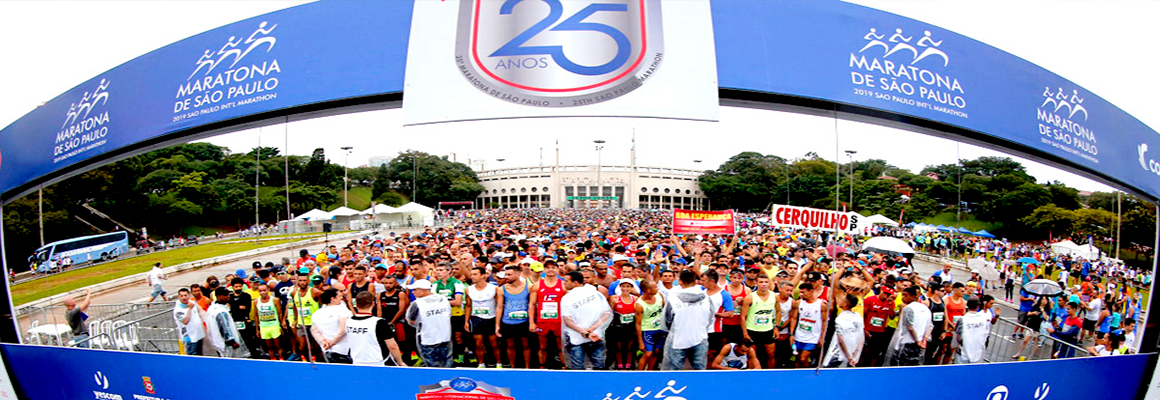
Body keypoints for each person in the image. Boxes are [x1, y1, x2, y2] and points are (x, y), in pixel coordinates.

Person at [560, 271, 612, 370]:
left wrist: (586, 332)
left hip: (576, 338)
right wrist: (592, 329)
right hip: (595, 335)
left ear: (575, 282)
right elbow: (607, 314)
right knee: (599, 368)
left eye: (566, 281)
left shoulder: (567, 298)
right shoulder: (596, 294)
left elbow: (568, 321)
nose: (564, 283)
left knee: (578, 370)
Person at [662, 270, 713, 370]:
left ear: (680, 281)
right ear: (695, 281)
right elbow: (710, 318)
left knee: (672, 371)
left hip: (677, 338)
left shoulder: (673, 299)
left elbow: (666, 321)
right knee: (699, 370)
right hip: (700, 337)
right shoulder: (707, 299)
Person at [348, 291, 406, 366]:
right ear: (373, 304)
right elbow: (392, 346)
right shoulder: (379, 322)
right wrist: (400, 362)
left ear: (356, 304)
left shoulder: (349, 321)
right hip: (378, 362)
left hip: (357, 361)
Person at [405, 279, 453, 368]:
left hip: (427, 338)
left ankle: (436, 381)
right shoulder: (443, 299)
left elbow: (411, 320)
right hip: (445, 337)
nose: (413, 292)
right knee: (447, 363)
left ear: (423, 290)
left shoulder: (417, 303)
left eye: (415, 290)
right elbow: (448, 314)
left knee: (432, 366)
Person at [530, 259, 567, 369]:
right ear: (544, 270)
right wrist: (531, 322)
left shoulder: (563, 284)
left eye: (553, 267)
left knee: (561, 347)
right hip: (542, 321)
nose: (550, 270)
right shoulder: (537, 285)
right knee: (542, 347)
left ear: (557, 269)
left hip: (559, 321)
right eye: (548, 268)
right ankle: (542, 368)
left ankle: (564, 368)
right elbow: (532, 304)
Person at [464, 267, 502, 368]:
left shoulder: (494, 288)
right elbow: (468, 305)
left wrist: (498, 321)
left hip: (491, 318)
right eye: (471, 274)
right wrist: (466, 321)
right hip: (476, 319)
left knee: (494, 344)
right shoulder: (468, 289)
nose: (472, 276)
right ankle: (481, 364)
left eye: (475, 274)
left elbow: (499, 305)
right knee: (478, 344)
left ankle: (498, 364)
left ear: (483, 275)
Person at [496, 265, 533, 368]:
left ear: (518, 274)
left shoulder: (528, 287)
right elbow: (499, 307)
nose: (506, 277)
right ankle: (512, 367)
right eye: (506, 274)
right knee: (510, 346)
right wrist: (497, 325)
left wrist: (531, 322)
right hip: (508, 322)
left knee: (526, 345)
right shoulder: (501, 289)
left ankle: (527, 368)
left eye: (509, 274)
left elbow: (532, 305)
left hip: (524, 321)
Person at [741, 275, 778, 369]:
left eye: (766, 282)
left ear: (769, 283)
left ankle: (771, 374)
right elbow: (742, 316)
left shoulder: (774, 296)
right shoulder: (749, 297)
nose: (764, 284)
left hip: (768, 330)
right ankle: (750, 375)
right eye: (761, 282)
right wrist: (745, 333)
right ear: (756, 283)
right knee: (751, 355)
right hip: (752, 330)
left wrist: (776, 327)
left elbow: (778, 311)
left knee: (771, 354)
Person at [889, 286, 930, 366]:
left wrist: (918, 341)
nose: (903, 298)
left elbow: (909, 326)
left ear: (914, 297)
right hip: (921, 343)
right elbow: (930, 326)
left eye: (905, 295)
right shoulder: (925, 308)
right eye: (902, 295)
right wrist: (924, 339)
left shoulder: (908, 309)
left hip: (906, 343)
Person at [286, 271, 322, 361]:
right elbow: (294, 305)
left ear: (308, 281)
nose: (302, 282)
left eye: (304, 280)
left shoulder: (315, 292)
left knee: (316, 346)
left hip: (314, 323)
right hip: (302, 323)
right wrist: (295, 319)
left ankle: (320, 362)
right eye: (300, 280)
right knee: (302, 346)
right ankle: (308, 361)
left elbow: (322, 306)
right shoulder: (294, 293)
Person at [791, 281, 828, 368]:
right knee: (798, 357)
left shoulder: (821, 305)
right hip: (799, 335)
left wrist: (822, 337)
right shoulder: (798, 303)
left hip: (813, 337)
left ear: (811, 291)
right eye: (800, 292)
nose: (801, 294)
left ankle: (805, 374)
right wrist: (791, 334)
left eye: (803, 292)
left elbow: (825, 322)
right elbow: (793, 318)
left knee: (803, 358)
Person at [311, 288, 353, 363]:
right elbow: (343, 330)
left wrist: (323, 342)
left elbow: (315, 331)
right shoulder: (344, 311)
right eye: (339, 296)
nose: (341, 298)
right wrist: (331, 343)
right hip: (343, 350)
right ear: (332, 298)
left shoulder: (317, 313)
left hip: (326, 349)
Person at [205, 287, 249, 358]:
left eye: (228, 294)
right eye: (225, 295)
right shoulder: (220, 312)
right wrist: (232, 341)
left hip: (217, 342)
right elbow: (225, 328)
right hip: (226, 344)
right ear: (219, 296)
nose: (228, 296)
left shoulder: (212, 308)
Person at [823, 293, 864, 368]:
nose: (839, 301)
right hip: (852, 354)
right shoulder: (858, 317)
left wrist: (849, 357)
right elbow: (862, 338)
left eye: (842, 300)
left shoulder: (840, 319)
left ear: (845, 304)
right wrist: (854, 356)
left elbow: (841, 340)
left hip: (837, 355)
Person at [634, 279, 666, 370]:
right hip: (647, 330)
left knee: (656, 351)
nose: (657, 288)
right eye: (655, 287)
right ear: (648, 290)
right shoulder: (640, 305)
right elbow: (638, 323)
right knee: (648, 353)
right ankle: (640, 374)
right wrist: (640, 342)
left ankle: (650, 372)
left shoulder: (659, 296)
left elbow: (664, 308)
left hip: (660, 328)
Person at [607, 279, 638, 369]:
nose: (625, 289)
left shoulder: (635, 298)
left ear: (631, 288)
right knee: (618, 347)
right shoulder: (614, 298)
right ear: (620, 287)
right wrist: (613, 304)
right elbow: (610, 312)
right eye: (623, 286)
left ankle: (629, 363)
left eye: (628, 286)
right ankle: (619, 363)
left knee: (630, 347)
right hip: (618, 326)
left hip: (630, 326)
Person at [250, 283, 285, 360]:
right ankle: (273, 359)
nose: (263, 292)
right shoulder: (256, 301)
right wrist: (257, 329)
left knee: (278, 345)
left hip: (274, 325)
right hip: (264, 326)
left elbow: (279, 313)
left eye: (264, 290)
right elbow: (256, 316)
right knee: (269, 346)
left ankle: (281, 359)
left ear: (268, 290)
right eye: (260, 291)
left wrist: (281, 326)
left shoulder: (275, 300)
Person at [954, 297, 989, 364]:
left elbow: (957, 337)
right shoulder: (984, 319)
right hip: (978, 351)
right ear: (978, 306)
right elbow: (986, 334)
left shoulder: (962, 320)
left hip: (964, 351)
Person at [174, 288, 207, 356]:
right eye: (181, 296)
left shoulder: (192, 303)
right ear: (179, 297)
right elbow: (185, 321)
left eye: (185, 295)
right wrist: (190, 309)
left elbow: (201, 311)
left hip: (198, 335)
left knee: (200, 355)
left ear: (189, 295)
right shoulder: (178, 310)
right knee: (192, 357)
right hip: (190, 338)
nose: (184, 297)